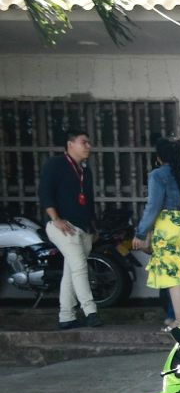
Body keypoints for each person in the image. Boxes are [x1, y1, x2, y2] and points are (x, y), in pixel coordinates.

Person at [133, 138, 180, 335]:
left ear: (159, 158)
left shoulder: (157, 175)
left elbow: (153, 206)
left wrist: (141, 232)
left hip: (170, 228)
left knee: (175, 275)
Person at [38, 127, 101, 331]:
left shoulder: (85, 170)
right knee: (80, 267)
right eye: (84, 142)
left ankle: (66, 316)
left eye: (89, 143)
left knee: (71, 271)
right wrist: (55, 218)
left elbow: (89, 200)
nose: (88, 147)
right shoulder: (55, 165)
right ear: (70, 144)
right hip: (62, 226)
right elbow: (45, 192)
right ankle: (91, 311)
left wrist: (93, 226)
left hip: (83, 228)